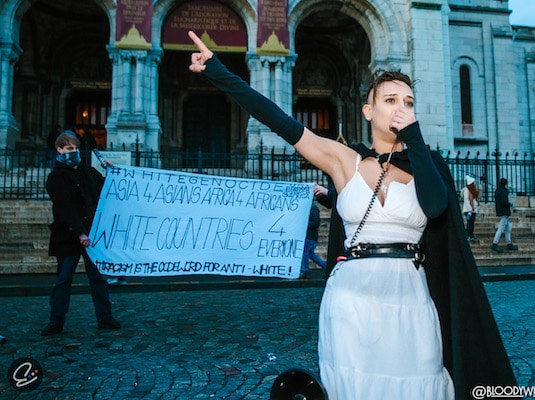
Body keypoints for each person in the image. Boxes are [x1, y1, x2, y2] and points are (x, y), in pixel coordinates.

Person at [188, 30, 516, 399]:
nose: (401, 108)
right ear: (368, 110)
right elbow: (279, 120)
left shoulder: (429, 164)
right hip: (351, 297)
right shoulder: (345, 160)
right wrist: (216, 71)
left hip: (409, 294)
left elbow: (437, 206)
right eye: (390, 100)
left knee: (419, 383)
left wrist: (415, 137)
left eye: (408, 102)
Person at [41, 132, 121, 336]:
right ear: (59, 150)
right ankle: (56, 321)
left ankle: (105, 317)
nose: (74, 152)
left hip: (90, 235)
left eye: (75, 148)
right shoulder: (55, 177)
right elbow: (65, 208)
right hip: (69, 236)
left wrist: (112, 172)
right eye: (69, 148)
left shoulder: (87, 172)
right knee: (64, 279)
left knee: (98, 278)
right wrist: (79, 233)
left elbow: (105, 187)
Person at [300, 201, 327, 279]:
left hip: (310, 236)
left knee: (306, 253)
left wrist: (305, 224)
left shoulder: (313, 209)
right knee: (311, 255)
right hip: (310, 236)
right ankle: (326, 266)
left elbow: (316, 222)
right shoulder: (312, 209)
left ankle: (305, 271)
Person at [491, 178, 519, 253]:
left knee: (508, 228)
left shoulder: (498, 190)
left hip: (501, 212)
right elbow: (504, 202)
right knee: (501, 228)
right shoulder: (502, 191)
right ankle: (495, 243)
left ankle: (508, 243)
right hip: (504, 212)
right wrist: (510, 204)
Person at [461, 175, 479, 240]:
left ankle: (470, 234)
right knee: (470, 222)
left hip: (472, 210)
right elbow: (466, 200)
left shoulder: (471, 190)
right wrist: (470, 209)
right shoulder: (467, 190)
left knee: (471, 222)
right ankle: (469, 234)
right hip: (469, 210)